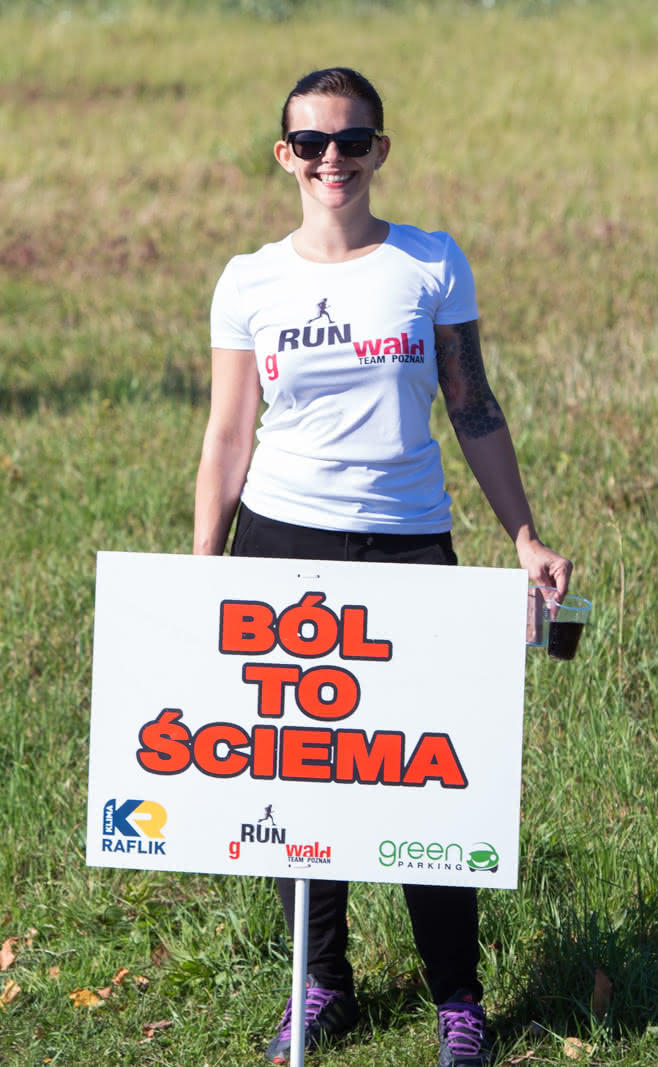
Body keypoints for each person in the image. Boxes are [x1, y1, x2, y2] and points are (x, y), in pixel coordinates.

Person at [193, 67, 572, 1067]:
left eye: (351, 141)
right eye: (310, 143)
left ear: (379, 151)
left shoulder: (429, 264)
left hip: (407, 543)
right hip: (279, 544)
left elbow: (473, 406)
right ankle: (321, 983)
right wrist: (201, 567)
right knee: (294, 776)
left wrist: (524, 534)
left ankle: (458, 997)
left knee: (425, 782)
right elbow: (229, 434)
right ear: (283, 154)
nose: (332, 160)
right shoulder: (249, 279)